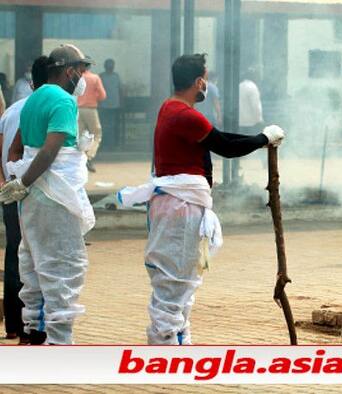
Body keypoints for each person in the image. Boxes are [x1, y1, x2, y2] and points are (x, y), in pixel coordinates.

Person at [117, 54, 284, 345]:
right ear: (198, 81)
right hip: (179, 209)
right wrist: (262, 139)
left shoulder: (171, 108)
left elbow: (219, 138)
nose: (207, 84)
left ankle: (176, 344)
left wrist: (261, 138)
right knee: (174, 284)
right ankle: (165, 351)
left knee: (180, 283)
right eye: (205, 78)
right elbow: (225, 146)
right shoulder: (183, 114)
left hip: (178, 206)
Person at [0, 44, 95, 345]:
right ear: (69, 70)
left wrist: (18, 179)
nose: (83, 76)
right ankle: (59, 338)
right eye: (81, 70)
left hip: (31, 200)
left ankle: (35, 328)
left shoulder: (31, 101)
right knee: (63, 265)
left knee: (34, 261)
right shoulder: (64, 101)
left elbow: (17, 148)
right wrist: (25, 180)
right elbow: (51, 151)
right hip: (54, 195)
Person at [0, 56, 51, 344]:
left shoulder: (11, 112)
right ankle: (36, 326)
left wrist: (4, 182)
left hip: (10, 190)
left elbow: (4, 151)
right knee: (36, 258)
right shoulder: (49, 110)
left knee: (14, 254)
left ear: (31, 83)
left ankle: (14, 325)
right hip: (34, 194)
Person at [78, 63, 107, 172]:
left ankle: (78, 159)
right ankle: (88, 157)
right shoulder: (95, 78)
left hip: (78, 109)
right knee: (96, 134)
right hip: (90, 109)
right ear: (89, 66)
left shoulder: (77, 77)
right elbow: (103, 95)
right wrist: (93, 96)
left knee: (79, 135)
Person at [99, 58, 123, 150]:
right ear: (105, 67)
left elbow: (120, 90)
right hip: (103, 105)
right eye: (108, 65)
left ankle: (112, 145)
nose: (110, 67)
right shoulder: (100, 77)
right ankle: (104, 144)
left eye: (111, 65)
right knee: (104, 126)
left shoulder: (116, 76)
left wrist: (121, 103)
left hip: (114, 105)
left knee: (113, 126)